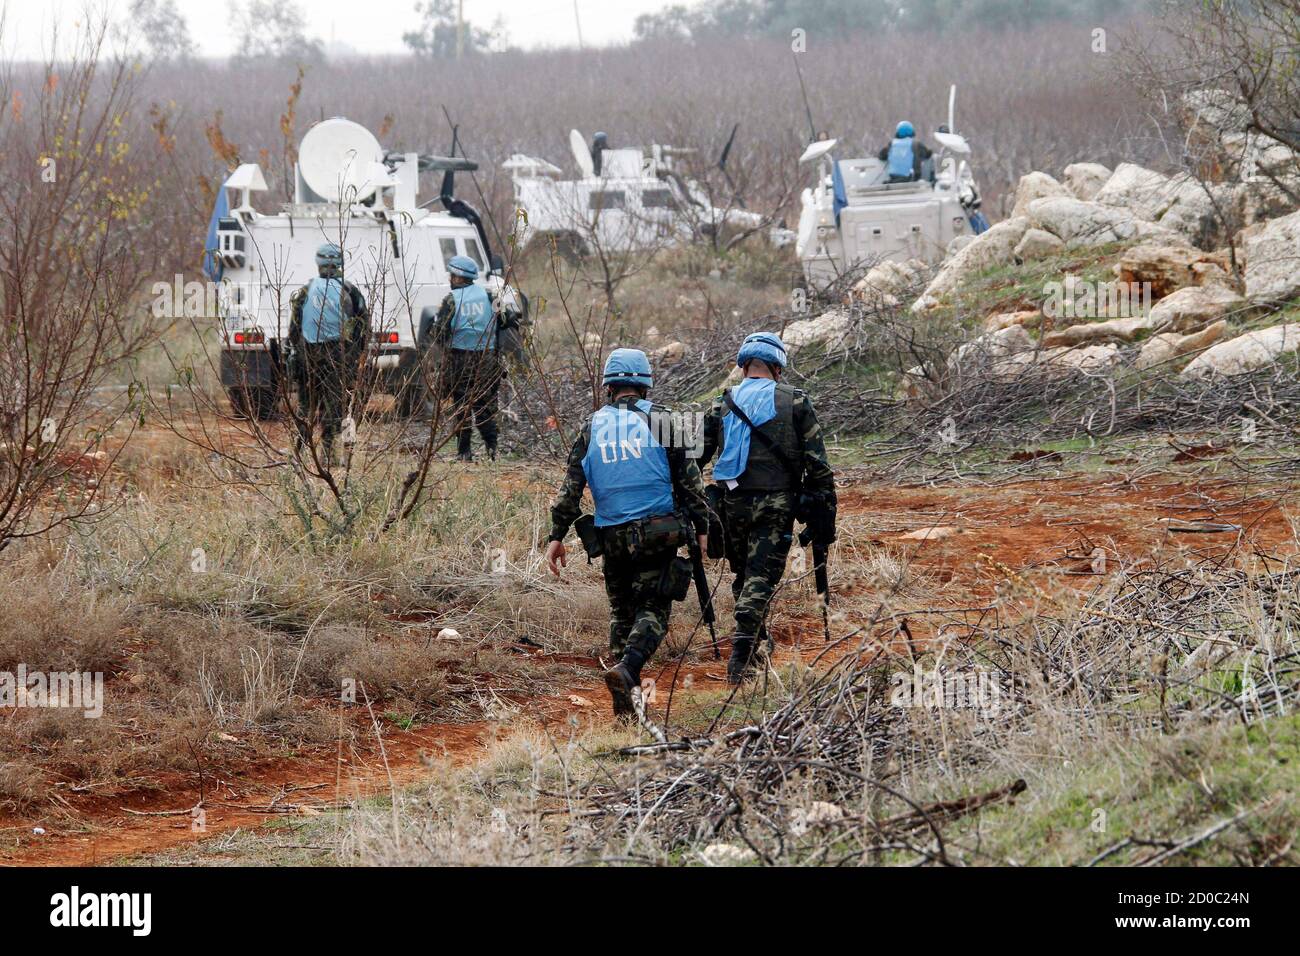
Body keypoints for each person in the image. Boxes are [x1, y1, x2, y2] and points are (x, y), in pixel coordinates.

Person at [545, 349, 711, 719]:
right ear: (645, 385)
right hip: (657, 533)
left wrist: (556, 535)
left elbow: (571, 489)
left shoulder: (591, 426)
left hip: (611, 537)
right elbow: (691, 482)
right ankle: (629, 668)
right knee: (654, 610)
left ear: (609, 386)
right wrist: (702, 527)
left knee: (622, 616)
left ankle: (626, 713)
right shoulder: (663, 421)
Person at [701, 332, 837, 684]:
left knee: (745, 576)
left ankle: (758, 648)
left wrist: (694, 502)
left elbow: (694, 459)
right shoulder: (794, 401)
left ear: (745, 365)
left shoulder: (722, 402)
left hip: (732, 503)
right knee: (760, 577)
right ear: (778, 367)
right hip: (777, 503)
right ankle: (740, 659)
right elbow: (817, 464)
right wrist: (824, 510)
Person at [288, 242, 368, 466]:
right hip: (340, 360)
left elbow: (294, 330)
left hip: (309, 360)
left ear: (318, 264)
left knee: (306, 407)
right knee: (342, 407)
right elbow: (363, 329)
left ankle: (299, 453)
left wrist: (298, 353)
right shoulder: (350, 291)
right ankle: (335, 455)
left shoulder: (306, 291)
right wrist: (356, 357)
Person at [419, 254, 501, 461]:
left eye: (452, 275)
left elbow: (441, 334)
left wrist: (431, 329)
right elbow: (506, 320)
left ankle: (464, 453)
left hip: (460, 361)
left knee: (462, 406)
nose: (450, 279)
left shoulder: (451, 300)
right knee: (485, 407)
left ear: (458, 277)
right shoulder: (489, 296)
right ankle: (492, 451)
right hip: (487, 360)